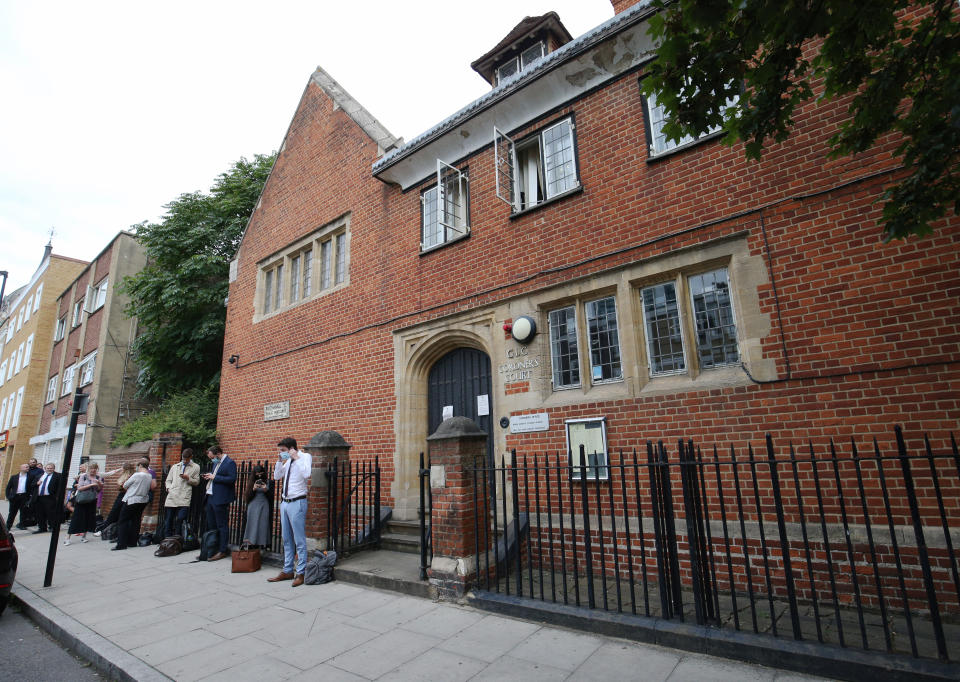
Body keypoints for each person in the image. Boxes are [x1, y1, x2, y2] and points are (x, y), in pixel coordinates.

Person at [268, 437, 312, 587]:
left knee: (299, 540)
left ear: (292, 448)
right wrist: (280, 461)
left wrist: (296, 457)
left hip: (297, 502)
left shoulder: (305, 457)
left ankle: (301, 572)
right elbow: (276, 476)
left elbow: (307, 474)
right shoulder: (287, 462)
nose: (281, 453)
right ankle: (287, 570)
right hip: (285, 503)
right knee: (286, 538)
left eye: (283, 450)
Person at [202, 446, 236, 561]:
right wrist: (209, 476)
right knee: (212, 525)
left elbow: (232, 479)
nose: (212, 460)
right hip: (210, 496)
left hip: (221, 498)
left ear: (218, 454)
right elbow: (214, 477)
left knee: (222, 525)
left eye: (212, 457)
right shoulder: (216, 463)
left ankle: (222, 550)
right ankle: (212, 548)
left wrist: (215, 477)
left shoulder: (229, 463)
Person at [113, 462, 152, 551]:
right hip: (143, 500)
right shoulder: (149, 476)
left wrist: (127, 479)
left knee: (122, 521)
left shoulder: (137, 475)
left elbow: (125, 485)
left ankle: (121, 544)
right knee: (136, 520)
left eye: (137, 466)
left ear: (140, 465)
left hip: (132, 499)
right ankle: (132, 542)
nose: (136, 468)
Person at [163, 448, 200, 538]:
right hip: (172, 495)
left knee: (181, 518)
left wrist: (188, 478)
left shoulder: (195, 467)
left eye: (186, 459)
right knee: (169, 519)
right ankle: (167, 539)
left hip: (184, 496)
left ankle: (177, 538)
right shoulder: (175, 466)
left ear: (191, 457)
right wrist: (168, 488)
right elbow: (168, 480)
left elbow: (197, 482)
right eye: (183, 459)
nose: (184, 461)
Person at [65, 462, 103, 544]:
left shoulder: (98, 477)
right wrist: (91, 484)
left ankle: (84, 537)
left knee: (88, 518)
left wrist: (99, 484)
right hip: (82, 499)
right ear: (88, 469)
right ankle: (67, 538)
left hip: (92, 500)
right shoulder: (83, 476)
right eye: (92, 468)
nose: (93, 470)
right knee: (76, 518)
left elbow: (99, 490)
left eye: (95, 468)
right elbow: (80, 488)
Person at [243, 464, 273, 549]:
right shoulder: (251, 481)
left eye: (261, 473)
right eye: (257, 474)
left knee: (263, 524)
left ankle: (262, 544)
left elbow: (271, 497)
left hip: (264, 504)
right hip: (253, 504)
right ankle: (250, 543)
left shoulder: (267, 481)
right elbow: (247, 497)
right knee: (252, 523)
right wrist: (253, 489)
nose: (259, 476)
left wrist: (266, 489)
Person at [32, 463, 61, 533]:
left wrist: (57, 497)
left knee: (50, 513)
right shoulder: (40, 476)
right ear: (45, 468)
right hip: (39, 497)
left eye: (51, 468)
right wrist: (37, 483)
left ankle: (52, 527)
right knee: (40, 513)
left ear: (54, 469)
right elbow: (32, 484)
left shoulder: (57, 476)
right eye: (48, 468)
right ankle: (42, 528)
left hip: (50, 497)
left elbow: (60, 487)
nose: (49, 469)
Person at [5, 464, 31, 529]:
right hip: (15, 497)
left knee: (23, 512)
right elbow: (8, 488)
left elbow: (32, 487)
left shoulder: (30, 477)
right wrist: (8, 497)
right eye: (26, 467)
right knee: (12, 513)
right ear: (21, 468)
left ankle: (21, 525)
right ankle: (8, 526)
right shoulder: (14, 477)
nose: (28, 468)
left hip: (24, 497)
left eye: (28, 467)